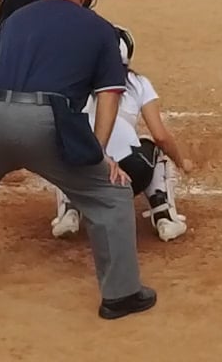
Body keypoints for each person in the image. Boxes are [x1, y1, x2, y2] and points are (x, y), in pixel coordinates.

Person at [0, 0, 156, 320]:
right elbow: (109, 95)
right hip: (45, 123)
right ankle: (121, 295)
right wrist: (98, 153)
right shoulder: (101, 28)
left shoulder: (14, 20)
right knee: (109, 195)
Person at [54, 26, 193, 242]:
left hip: (85, 174)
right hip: (128, 175)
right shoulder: (138, 83)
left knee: (69, 144)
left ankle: (69, 211)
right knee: (154, 149)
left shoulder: (76, 81)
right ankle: (165, 217)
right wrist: (182, 162)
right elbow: (161, 136)